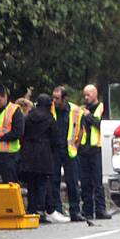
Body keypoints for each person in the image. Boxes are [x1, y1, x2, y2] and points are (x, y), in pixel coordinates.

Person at [47, 85, 86, 222]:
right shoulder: (50, 109)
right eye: (53, 98)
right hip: (54, 150)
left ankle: (75, 211)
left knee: (73, 182)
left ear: (65, 98)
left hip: (70, 151)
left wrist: (76, 144)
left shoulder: (76, 111)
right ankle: (57, 210)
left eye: (57, 98)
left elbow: (81, 129)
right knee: (54, 181)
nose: (54, 101)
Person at [18, 93, 57, 222]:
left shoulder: (28, 117)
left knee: (31, 183)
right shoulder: (49, 118)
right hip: (43, 153)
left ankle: (32, 209)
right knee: (42, 183)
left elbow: (23, 134)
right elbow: (54, 137)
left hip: (29, 153)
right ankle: (41, 210)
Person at [78, 84, 111, 219]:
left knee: (97, 182)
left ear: (95, 94)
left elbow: (102, 125)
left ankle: (100, 209)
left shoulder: (102, 108)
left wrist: (89, 116)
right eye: (84, 95)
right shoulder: (82, 110)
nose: (86, 97)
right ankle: (87, 210)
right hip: (83, 150)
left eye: (88, 95)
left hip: (97, 149)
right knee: (85, 183)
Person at [0, 84, 24, 184]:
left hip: (9, 156)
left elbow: (18, 132)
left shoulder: (15, 110)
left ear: (5, 96)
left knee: (10, 186)